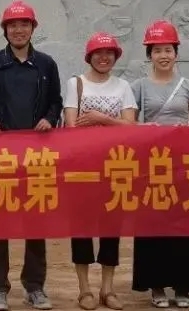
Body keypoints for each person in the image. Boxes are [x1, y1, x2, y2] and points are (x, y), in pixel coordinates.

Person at [0, 0, 62, 311]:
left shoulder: (46, 64)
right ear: (5, 30)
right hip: (0, 156)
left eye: (24, 24)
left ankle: (34, 286)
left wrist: (50, 118)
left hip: (36, 156)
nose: (19, 30)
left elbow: (56, 101)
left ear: (33, 28)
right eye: (13, 25)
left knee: (35, 224)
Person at [130, 20, 189, 309]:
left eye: (168, 50)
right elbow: (130, 124)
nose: (163, 55)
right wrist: (147, 129)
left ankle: (183, 286)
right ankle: (157, 285)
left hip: (184, 164)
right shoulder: (139, 86)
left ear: (176, 53)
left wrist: (187, 130)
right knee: (153, 224)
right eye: (157, 50)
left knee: (185, 223)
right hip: (152, 165)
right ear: (149, 55)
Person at [63, 33, 137, 311]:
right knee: (81, 228)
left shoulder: (123, 86)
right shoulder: (76, 84)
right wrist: (111, 125)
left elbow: (131, 126)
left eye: (109, 53)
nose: (104, 58)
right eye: (98, 53)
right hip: (83, 167)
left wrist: (100, 119)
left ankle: (108, 288)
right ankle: (84, 290)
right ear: (89, 56)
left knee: (111, 229)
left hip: (115, 166)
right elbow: (71, 125)